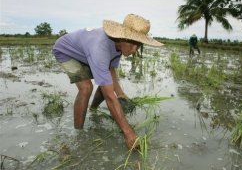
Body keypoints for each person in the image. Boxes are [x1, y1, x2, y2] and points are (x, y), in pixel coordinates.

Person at [52, 14, 163, 149]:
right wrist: (128, 132)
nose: (134, 50)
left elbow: (110, 69)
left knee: (106, 81)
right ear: (122, 37)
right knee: (86, 88)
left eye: (138, 45)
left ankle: (93, 109)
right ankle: (78, 133)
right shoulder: (101, 48)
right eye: (132, 44)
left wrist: (121, 94)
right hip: (66, 51)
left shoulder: (118, 46)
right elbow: (110, 97)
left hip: (85, 52)